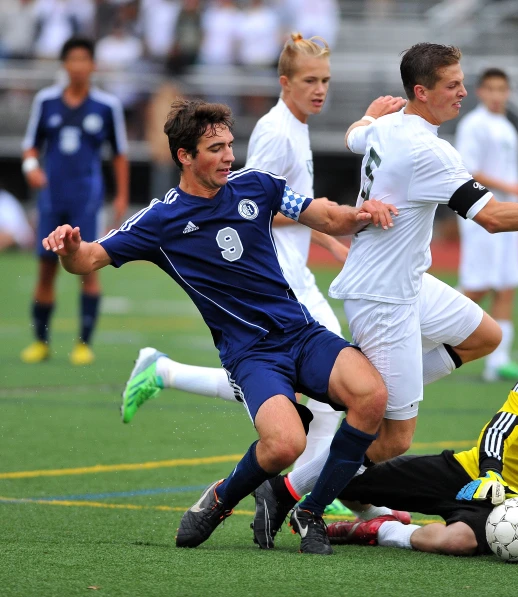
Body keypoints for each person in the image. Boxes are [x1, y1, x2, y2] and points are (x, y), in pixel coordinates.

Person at [251, 42, 518, 547]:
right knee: (394, 436)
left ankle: (365, 380)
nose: (463, 92)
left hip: (407, 283)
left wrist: (368, 116)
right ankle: (290, 494)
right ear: (421, 92)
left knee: (484, 334)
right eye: (453, 85)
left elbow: (358, 135)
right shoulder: (430, 150)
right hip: (383, 297)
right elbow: (491, 217)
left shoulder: (391, 124)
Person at [42, 98, 398, 556]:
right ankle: (221, 498)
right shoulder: (160, 219)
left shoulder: (258, 186)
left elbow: (326, 216)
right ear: (185, 157)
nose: (229, 156)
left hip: (300, 333)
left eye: (230, 145)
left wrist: (362, 212)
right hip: (251, 354)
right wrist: (69, 247)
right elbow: (87, 259)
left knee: (372, 397)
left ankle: (311, 512)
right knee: (286, 443)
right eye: (215, 148)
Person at [121, 33, 391, 523]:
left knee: (321, 394)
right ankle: (304, 489)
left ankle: (167, 374)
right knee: (319, 397)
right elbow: (241, 208)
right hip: (273, 275)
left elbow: (288, 201)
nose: (320, 89)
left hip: (295, 268)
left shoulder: (296, 126)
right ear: (284, 82)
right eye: (310, 80)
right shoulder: (275, 132)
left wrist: (329, 232)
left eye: (326, 79)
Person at [326, 320, 518, 558]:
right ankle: (378, 513)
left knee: (454, 541)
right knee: (345, 482)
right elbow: (499, 430)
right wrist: (491, 472)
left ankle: (381, 530)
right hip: (473, 475)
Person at [20, 36, 129, 366]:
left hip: (87, 199)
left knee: (89, 266)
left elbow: (120, 154)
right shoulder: (46, 101)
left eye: (85, 59)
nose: (79, 66)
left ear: (93, 65)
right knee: (45, 269)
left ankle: (84, 344)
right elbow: (30, 146)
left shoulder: (107, 106)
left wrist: (121, 196)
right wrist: (31, 169)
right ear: (64, 65)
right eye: (72, 59)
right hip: (52, 198)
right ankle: (41, 342)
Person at [455, 68, 518, 382]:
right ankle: (424, 334)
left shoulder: (506, 127)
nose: (497, 95)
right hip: (482, 215)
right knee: (478, 284)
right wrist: (509, 187)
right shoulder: (474, 125)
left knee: (507, 283)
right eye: (491, 88)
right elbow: (468, 169)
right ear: (480, 91)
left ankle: (498, 361)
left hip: (507, 216)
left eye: (502, 88)